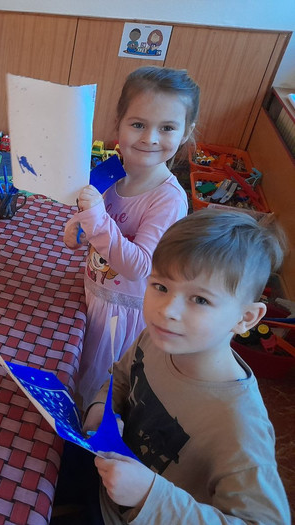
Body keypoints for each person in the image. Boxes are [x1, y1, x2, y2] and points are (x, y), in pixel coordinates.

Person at [82, 209, 290, 524]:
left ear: (246, 318)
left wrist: (150, 496)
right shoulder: (159, 338)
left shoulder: (240, 427)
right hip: (100, 492)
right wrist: (102, 406)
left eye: (200, 300)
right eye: (161, 286)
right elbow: (121, 377)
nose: (168, 311)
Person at [64, 66, 199, 408]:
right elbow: (88, 230)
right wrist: (76, 228)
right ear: (119, 123)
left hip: (120, 316)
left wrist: (95, 218)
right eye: (138, 124)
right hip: (90, 295)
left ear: (185, 132)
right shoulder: (111, 172)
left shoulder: (168, 199)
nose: (150, 138)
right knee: (72, 370)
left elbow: (138, 266)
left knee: (97, 392)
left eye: (166, 128)